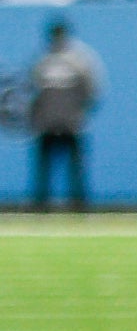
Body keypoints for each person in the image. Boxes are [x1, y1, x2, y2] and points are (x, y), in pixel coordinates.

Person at [26, 19, 101, 211]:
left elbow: (91, 91)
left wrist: (78, 113)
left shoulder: (79, 60)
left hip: (71, 123)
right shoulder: (43, 60)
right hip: (48, 124)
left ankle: (79, 205)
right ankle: (41, 205)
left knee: (75, 168)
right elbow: (32, 91)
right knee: (44, 168)